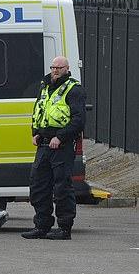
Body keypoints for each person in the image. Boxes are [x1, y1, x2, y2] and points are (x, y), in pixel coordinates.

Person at [22, 56, 86, 240]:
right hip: (44, 143)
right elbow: (38, 110)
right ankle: (41, 226)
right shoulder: (45, 86)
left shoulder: (74, 90)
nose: (55, 70)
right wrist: (35, 131)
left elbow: (78, 120)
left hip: (62, 145)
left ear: (67, 69)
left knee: (62, 188)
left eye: (59, 67)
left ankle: (64, 228)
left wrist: (60, 136)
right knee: (38, 186)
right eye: (53, 67)